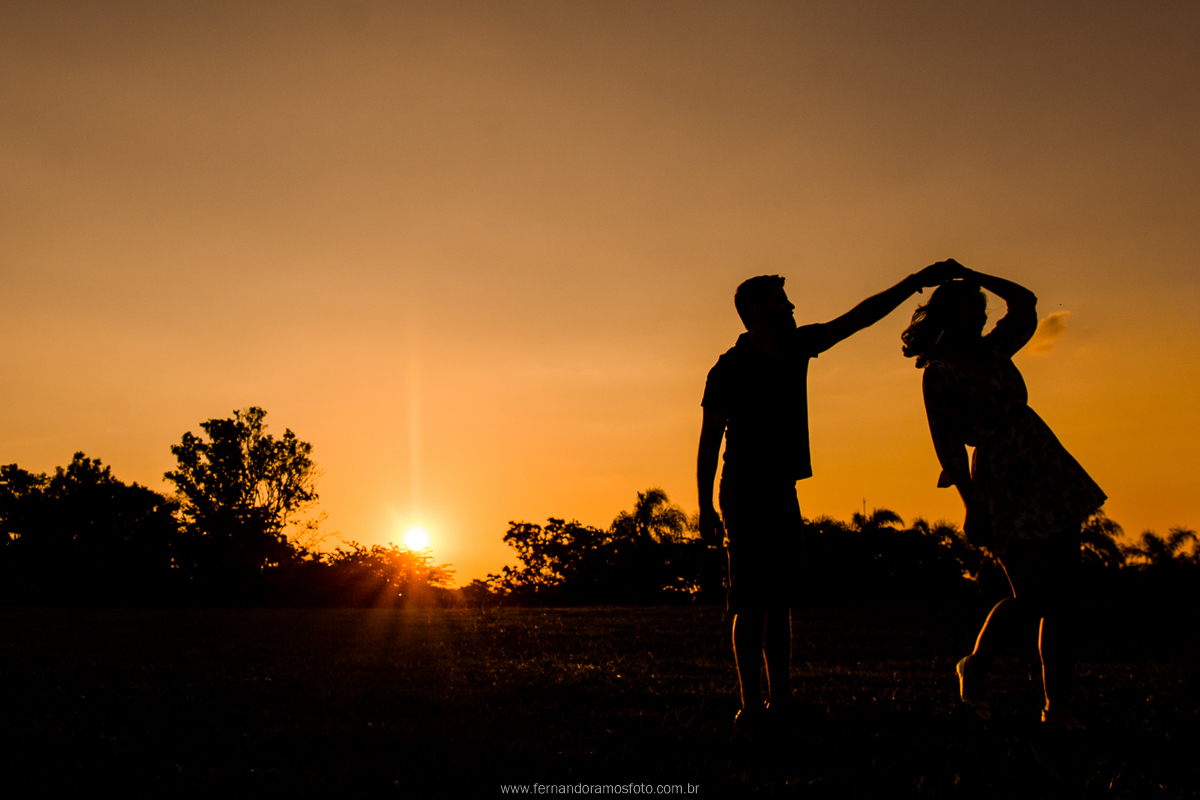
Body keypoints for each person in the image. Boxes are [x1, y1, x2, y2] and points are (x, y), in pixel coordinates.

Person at [698, 262, 955, 729]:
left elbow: (859, 318)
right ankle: (751, 708)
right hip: (743, 490)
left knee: (780, 601)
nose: (792, 306)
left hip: (781, 489)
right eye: (782, 299)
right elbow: (709, 441)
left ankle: (783, 700)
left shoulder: (797, 347)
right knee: (751, 601)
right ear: (757, 309)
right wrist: (705, 509)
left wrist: (913, 281)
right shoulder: (729, 368)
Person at [901, 264, 1106, 729]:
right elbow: (948, 444)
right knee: (1033, 595)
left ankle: (1057, 704)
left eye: (982, 307)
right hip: (1000, 476)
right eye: (971, 306)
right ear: (948, 313)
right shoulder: (940, 372)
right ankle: (974, 666)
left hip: (1045, 465)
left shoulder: (996, 350)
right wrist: (972, 505)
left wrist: (969, 272)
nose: (980, 313)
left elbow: (1027, 302)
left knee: (1064, 600)